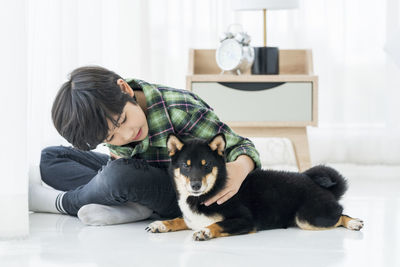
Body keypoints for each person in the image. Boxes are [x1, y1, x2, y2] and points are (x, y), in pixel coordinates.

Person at [29, 66, 261, 226]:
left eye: (123, 121)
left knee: (118, 177)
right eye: (111, 137)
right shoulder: (116, 124)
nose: (127, 134)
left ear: (125, 89)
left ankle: (65, 202)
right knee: (51, 157)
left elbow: (240, 145)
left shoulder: (181, 110)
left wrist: (240, 168)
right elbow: (119, 162)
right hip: (137, 174)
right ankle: (131, 206)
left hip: (181, 192)